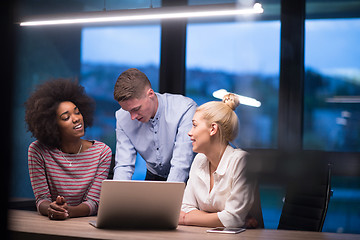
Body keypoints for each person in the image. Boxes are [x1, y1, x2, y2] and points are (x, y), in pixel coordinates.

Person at [25, 79, 112, 220]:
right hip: (51, 225)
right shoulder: (38, 151)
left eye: (77, 112)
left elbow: (94, 203)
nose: (76, 119)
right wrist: (52, 208)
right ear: (52, 125)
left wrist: (67, 211)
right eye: (66, 117)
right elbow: (41, 200)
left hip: (85, 226)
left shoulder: (102, 152)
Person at [179, 93, 258, 228]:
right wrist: (220, 217)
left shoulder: (241, 161)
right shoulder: (199, 160)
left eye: (195, 125)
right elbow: (185, 207)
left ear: (213, 129)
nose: (189, 132)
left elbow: (233, 219)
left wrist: (187, 218)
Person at [113, 68, 196, 182]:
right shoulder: (122, 117)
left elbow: (181, 164)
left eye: (136, 109)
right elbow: (123, 165)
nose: (133, 117)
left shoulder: (184, 108)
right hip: (153, 176)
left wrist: (169, 197)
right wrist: (116, 197)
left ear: (150, 94)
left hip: (188, 177)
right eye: (128, 111)